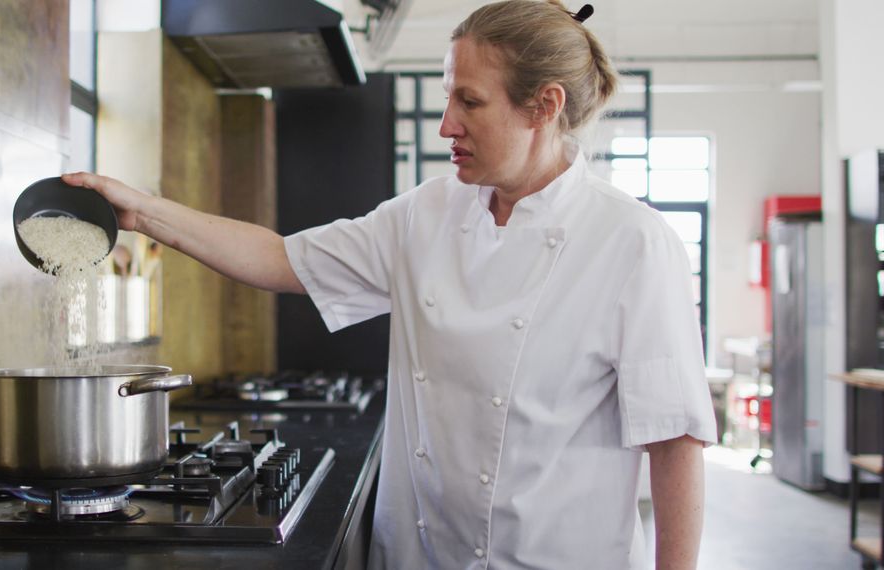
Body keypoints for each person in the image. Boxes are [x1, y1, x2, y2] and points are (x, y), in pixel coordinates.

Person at [63, 1, 717, 567]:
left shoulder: (631, 241)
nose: (446, 125)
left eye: (471, 101)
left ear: (543, 107)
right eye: (447, 97)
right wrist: (144, 212)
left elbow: (675, 439)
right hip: (420, 557)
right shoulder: (426, 214)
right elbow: (279, 259)